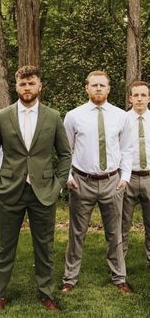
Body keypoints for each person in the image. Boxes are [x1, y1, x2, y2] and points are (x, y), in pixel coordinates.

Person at [0, 65, 71, 313]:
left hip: (43, 191)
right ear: (16, 86)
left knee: (44, 246)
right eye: (23, 84)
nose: (27, 88)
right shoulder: (2, 116)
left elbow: (65, 154)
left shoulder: (53, 116)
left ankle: (46, 294)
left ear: (39, 86)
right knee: (4, 246)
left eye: (31, 83)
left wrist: (59, 183)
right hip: (10, 189)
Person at [62, 70, 133, 294]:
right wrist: (68, 176)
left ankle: (119, 277)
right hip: (82, 182)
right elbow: (66, 150)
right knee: (77, 233)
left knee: (115, 232)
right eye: (94, 85)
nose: (99, 89)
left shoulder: (121, 116)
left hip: (112, 181)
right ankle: (70, 278)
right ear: (87, 88)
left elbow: (127, 149)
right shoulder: (73, 116)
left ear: (109, 88)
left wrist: (125, 177)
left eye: (102, 85)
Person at [122, 80, 150, 265]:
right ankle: (118, 262)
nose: (139, 99)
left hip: (149, 177)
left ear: (149, 98)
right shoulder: (121, 120)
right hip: (128, 178)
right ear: (130, 98)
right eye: (136, 95)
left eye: (143, 95)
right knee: (122, 223)